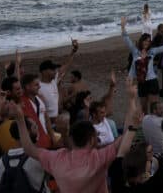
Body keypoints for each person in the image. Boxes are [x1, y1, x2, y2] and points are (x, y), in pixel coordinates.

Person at [10, 78, 141, 193]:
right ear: (91, 140)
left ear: (71, 139)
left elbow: (29, 149)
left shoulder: (57, 158)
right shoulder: (99, 158)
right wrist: (131, 100)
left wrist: (20, 120)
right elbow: (127, 135)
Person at [121, 16, 163, 111]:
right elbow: (126, 39)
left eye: (148, 41)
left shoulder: (152, 51)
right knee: (143, 108)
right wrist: (123, 27)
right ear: (141, 41)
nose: (147, 42)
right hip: (141, 83)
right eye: (145, 40)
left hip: (152, 82)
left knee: (154, 107)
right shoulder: (135, 51)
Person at [0, 119, 49, 193]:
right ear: (27, 132)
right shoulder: (39, 156)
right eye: (35, 127)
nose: (37, 129)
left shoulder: (2, 160)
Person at [39, 39, 78, 123]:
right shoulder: (38, 87)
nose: (55, 71)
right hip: (46, 122)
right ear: (44, 71)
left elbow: (66, 65)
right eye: (52, 69)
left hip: (56, 119)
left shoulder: (53, 81)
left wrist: (73, 51)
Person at [20, 73, 54, 149]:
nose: (39, 87)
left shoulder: (40, 99)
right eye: (36, 85)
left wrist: (52, 137)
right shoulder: (22, 103)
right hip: (35, 143)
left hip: (45, 138)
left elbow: (47, 120)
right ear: (28, 87)